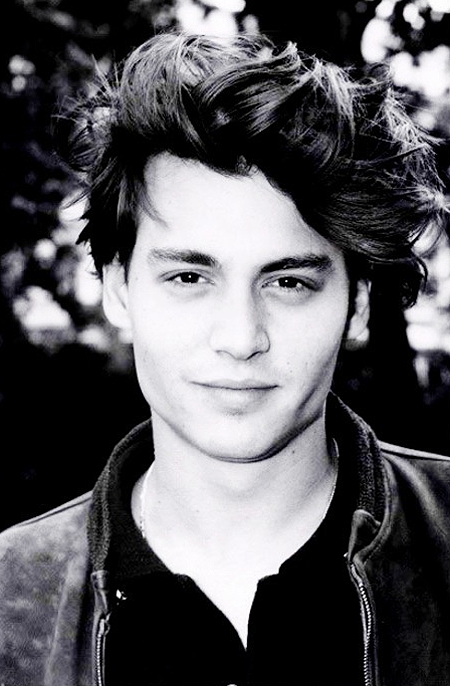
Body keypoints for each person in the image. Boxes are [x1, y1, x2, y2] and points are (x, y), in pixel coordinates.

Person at [0, 31, 449, 686]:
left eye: (288, 282)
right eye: (189, 278)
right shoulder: (11, 600)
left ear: (356, 305)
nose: (240, 338)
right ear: (118, 289)